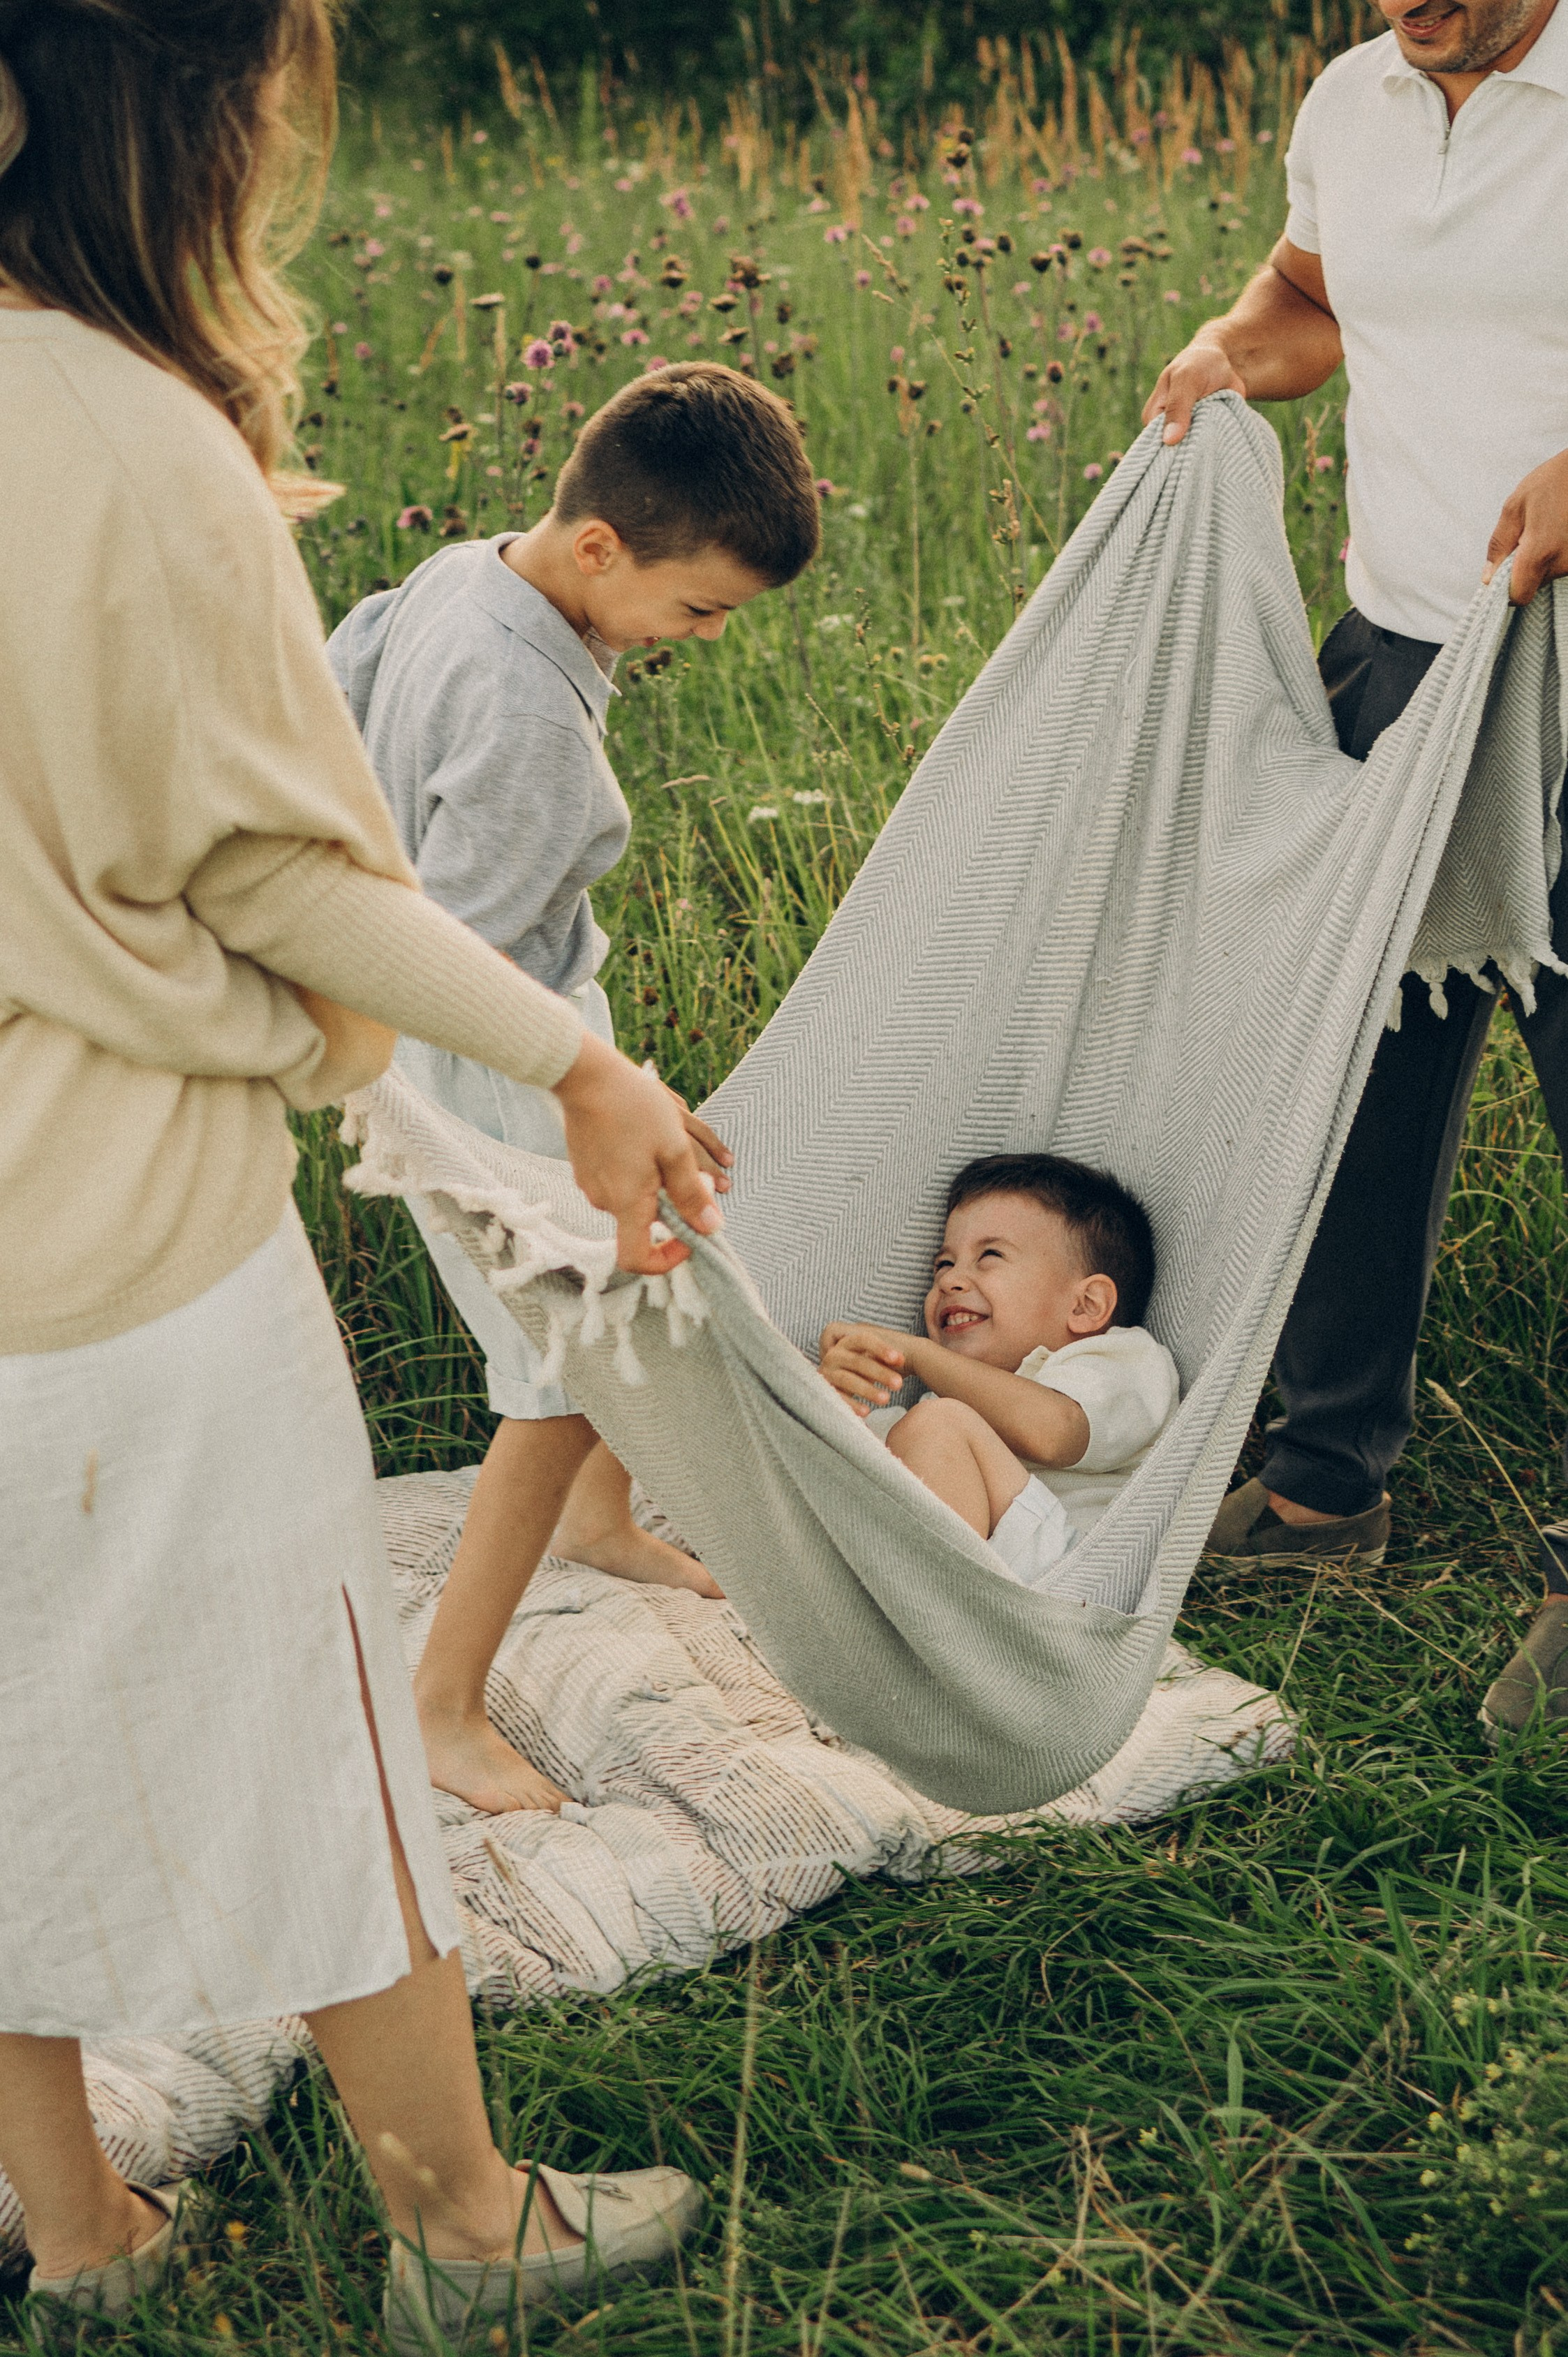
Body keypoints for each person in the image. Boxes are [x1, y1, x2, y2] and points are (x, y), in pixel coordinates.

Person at [0, 3, 710, 2342]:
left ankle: (83, 2237)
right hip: (118, 1254)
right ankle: (461, 2228)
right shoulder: (124, 435)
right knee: (317, 1731)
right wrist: (574, 1060)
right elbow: (281, 874)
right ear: (193, 121)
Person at [1142, 0, 1568, 1727]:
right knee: (1352, 1071)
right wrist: (1221, 350)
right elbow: (1308, 301)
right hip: (1399, 649)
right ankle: (1325, 1486)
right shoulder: (1349, 100)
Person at [327, 364, 822, 1817]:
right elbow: (464, 963)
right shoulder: (530, 718)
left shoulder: (461, 574)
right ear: (601, 546)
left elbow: (346, 690)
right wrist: (600, 1099)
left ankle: (597, 1520)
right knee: (578, 1349)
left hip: (506, 1028)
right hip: (495, 1050)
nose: (710, 638)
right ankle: (441, 1704)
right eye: (702, 607)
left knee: (628, 1293)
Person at [818, 1155, 1179, 1592]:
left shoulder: (1122, 1360)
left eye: (990, 1256)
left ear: (1086, 1306)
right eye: (944, 1264)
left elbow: (1054, 1432)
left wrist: (919, 1354)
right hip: (966, 1576)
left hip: (1067, 1588)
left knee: (938, 1425)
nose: (950, 1281)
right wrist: (827, 1396)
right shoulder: (935, 1409)